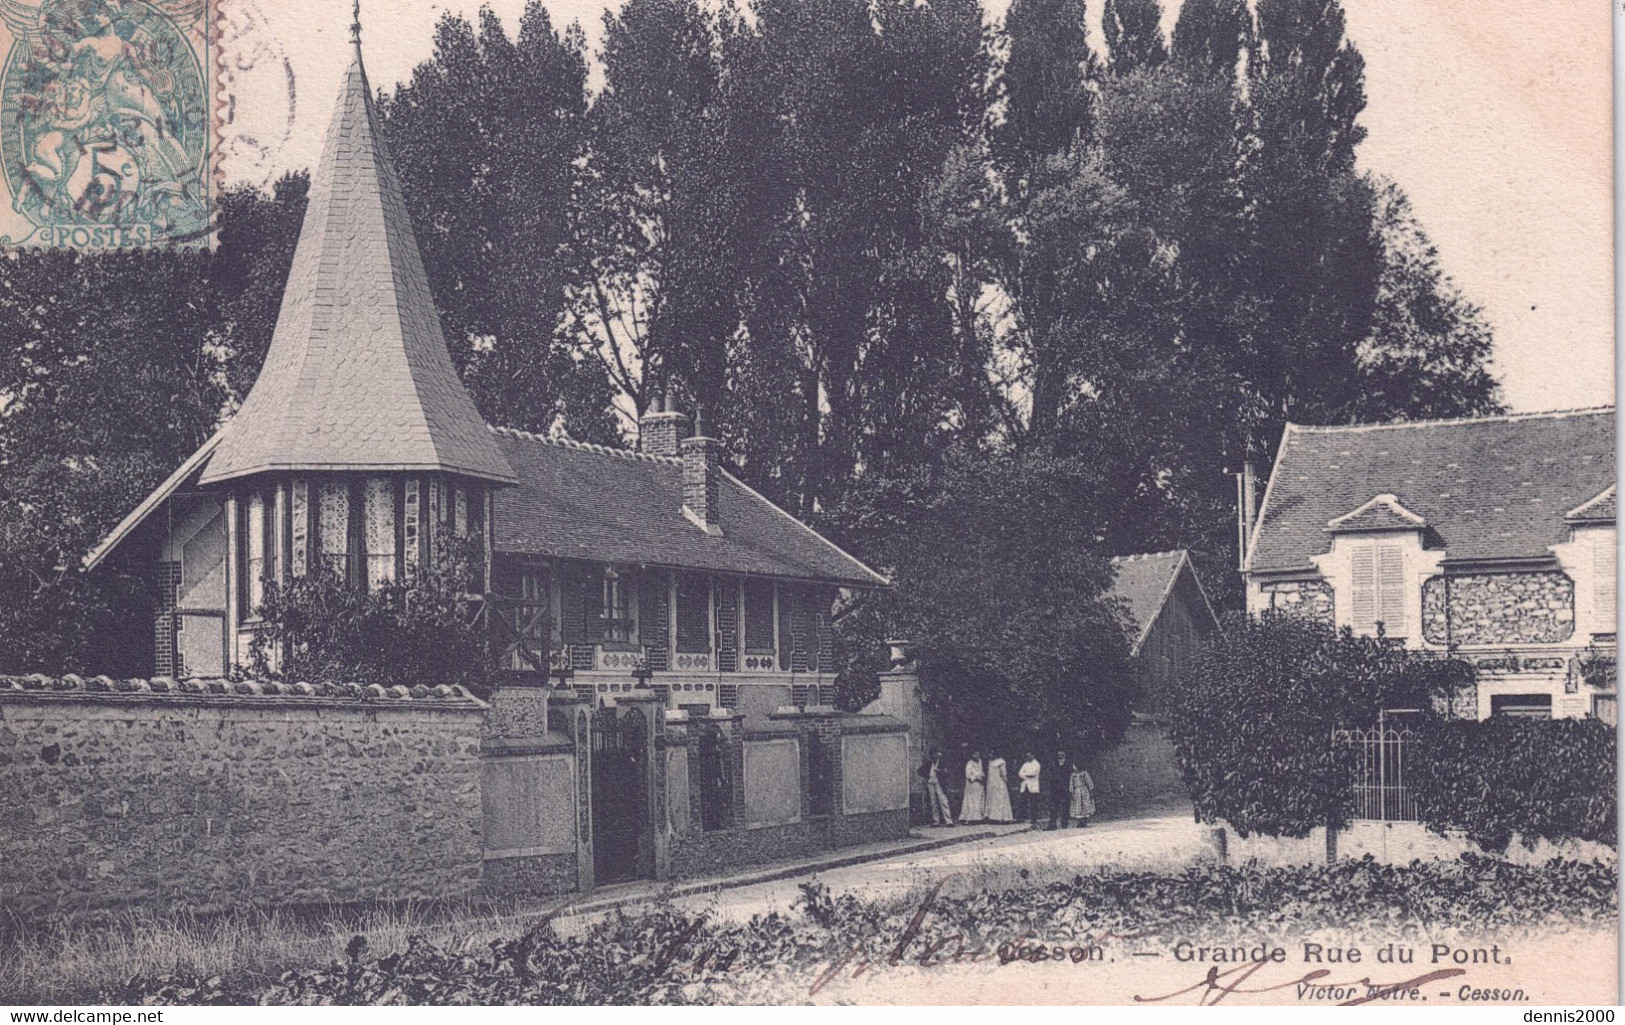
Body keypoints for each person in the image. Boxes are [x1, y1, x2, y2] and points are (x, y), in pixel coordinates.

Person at [920, 751, 954, 826]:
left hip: (939, 784)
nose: (934, 758)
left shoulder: (942, 763)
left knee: (944, 801)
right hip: (930, 784)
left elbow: (947, 773)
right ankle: (936, 821)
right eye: (933, 756)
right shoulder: (929, 763)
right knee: (933, 802)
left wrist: (939, 771)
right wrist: (927, 775)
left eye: (936, 756)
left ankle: (948, 821)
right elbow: (919, 771)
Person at [984, 753, 1014, 823]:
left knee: (1000, 798)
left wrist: (1005, 780)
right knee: (993, 799)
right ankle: (993, 817)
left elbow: (1003, 773)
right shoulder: (990, 762)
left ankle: (1002, 817)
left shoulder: (1001, 761)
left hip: (999, 782)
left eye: (992, 753)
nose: (990, 755)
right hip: (992, 783)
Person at [959, 750, 986, 824]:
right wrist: (976, 778)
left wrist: (982, 777)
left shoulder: (980, 762)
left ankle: (979, 817)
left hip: (979, 785)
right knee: (972, 801)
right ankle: (971, 818)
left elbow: (981, 772)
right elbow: (968, 775)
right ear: (972, 755)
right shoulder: (969, 763)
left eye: (978, 754)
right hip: (972, 784)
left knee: (979, 800)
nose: (977, 756)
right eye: (975, 754)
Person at [1047, 750, 1071, 829]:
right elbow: (1051, 776)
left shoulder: (1068, 764)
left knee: (1065, 806)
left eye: (1062, 755)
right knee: (1054, 806)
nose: (1060, 757)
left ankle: (1064, 823)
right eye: (1059, 755)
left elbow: (1070, 776)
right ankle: (1052, 824)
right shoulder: (1054, 765)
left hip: (1065, 788)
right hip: (1055, 788)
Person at [1017, 751, 1042, 826]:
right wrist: (1026, 776)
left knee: (1033, 803)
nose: (1028, 757)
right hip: (1025, 785)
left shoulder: (1037, 764)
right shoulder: (1025, 764)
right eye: (1027, 756)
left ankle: (1033, 819)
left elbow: (1034, 773)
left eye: (1029, 755)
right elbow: (1020, 773)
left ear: (1033, 755)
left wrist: (1025, 774)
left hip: (1033, 785)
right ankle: (1023, 817)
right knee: (1023, 801)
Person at [1069, 761, 1096, 828]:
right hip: (1077, 792)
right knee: (1078, 806)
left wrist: (1090, 790)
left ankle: (1085, 821)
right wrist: (1072, 792)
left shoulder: (1084, 774)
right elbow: (1071, 784)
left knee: (1085, 805)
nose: (1073, 767)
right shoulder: (1073, 775)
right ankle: (1080, 821)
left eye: (1074, 766)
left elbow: (1089, 782)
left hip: (1084, 791)